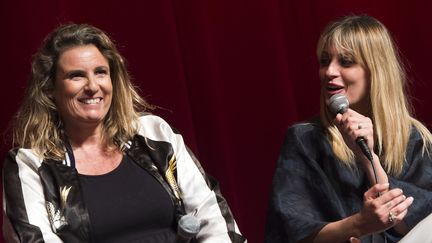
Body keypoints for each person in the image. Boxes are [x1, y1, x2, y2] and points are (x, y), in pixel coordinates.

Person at [2, 23, 245, 243]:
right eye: (76, 75)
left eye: (100, 72)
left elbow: (212, 217)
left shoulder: (155, 135)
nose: (93, 86)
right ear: (50, 89)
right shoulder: (31, 165)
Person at [265, 15, 432, 243]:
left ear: (376, 71)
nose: (329, 72)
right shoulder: (305, 139)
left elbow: (418, 225)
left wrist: (367, 158)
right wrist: (359, 225)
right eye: (324, 61)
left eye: (345, 62)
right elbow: (290, 235)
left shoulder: (415, 139)